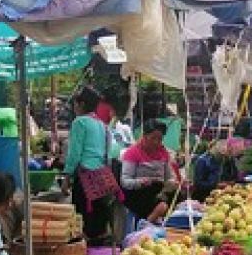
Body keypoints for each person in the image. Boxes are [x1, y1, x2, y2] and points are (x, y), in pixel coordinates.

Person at [64, 86, 118, 243]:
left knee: (82, 222)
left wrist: (67, 177)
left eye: (75, 104)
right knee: (98, 223)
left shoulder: (79, 122)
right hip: (101, 177)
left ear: (80, 104)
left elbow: (74, 153)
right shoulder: (102, 125)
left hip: (85, 178)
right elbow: (108, 152)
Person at [120, 120, 181, 225]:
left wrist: (172, 183)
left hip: (157, 190)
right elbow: (125, 181)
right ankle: (145, 226)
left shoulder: (163, 152)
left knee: (179, 197)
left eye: (160, 139)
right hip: (137, 192)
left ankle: (166, 225)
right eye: (153, 138)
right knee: (162, 206)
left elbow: (169, 176)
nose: (156, 142)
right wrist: (141, 182)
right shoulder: (132, 152)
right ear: (144, 136)